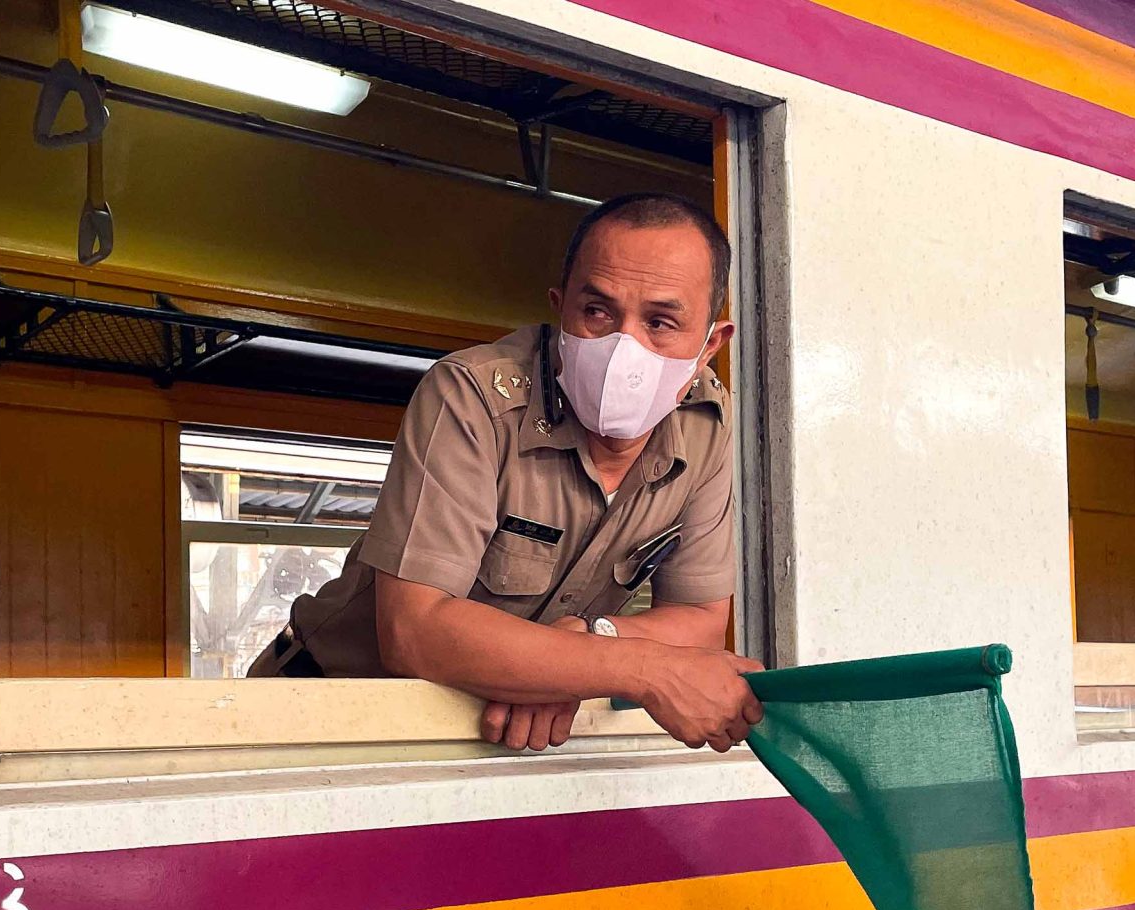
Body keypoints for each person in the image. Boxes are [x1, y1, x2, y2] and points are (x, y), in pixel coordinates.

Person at [249, 192, 763, 753]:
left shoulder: (706, 423)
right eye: (597, 313)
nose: (625, 346)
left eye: (662, 322)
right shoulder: (471, 395)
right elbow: (415, 632)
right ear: (560, 308)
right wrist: (639, 669)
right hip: (333, 711)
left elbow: (700, 619)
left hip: (502, 732)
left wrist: (583, 649)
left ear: (710, 344)